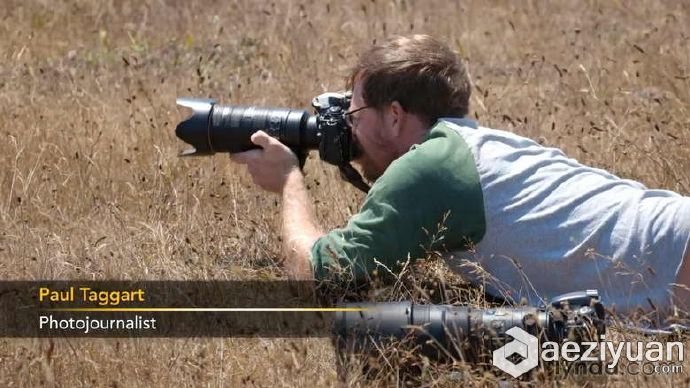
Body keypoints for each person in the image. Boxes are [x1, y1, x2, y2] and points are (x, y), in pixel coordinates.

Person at [231, 34, 690, 313]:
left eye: (356, 113)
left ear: (394, 115)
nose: (348, 126)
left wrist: (290, 180)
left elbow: (316, 277)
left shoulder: (430, 170)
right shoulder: (476, 147)